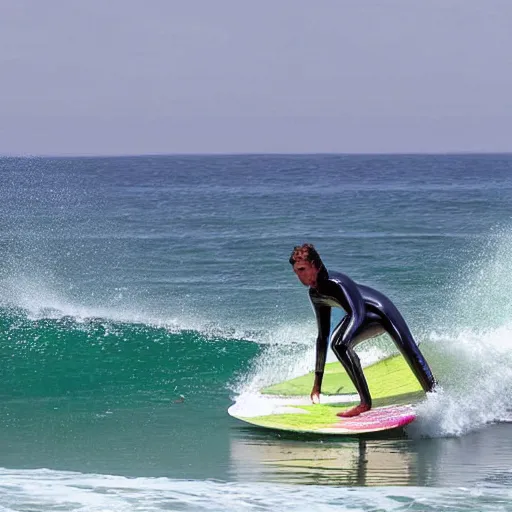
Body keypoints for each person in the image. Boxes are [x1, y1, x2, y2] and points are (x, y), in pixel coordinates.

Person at [289, 243, 436, 418]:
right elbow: (322, 336)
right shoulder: (315, 294)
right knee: (337, 343)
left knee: (409, 349)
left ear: (315, 265)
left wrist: (344, 341)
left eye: (302, 269)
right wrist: (317, 385)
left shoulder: (337, 283)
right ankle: (365, 401)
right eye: (296, 271)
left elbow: (357, 313)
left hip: (381, 310)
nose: (299, 276)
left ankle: (436, 394)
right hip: (362, 316)